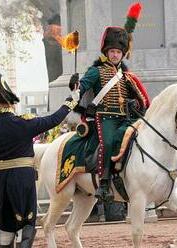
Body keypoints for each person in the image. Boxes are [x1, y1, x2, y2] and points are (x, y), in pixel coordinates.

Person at [0, 72, 79, 248]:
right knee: (25, 226)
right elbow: (54, 119)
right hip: (22, 179)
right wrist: (72, 98)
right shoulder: (23, 123)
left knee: (4, 231)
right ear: (11, 101)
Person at [69, 18, 150, 202]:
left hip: (126, 119)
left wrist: (134, 104)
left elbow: (141, 101)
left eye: (118, 52)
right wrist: (75, 85)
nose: (115, 55)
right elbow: (82, 87)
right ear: (107, 52)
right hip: (105, 118)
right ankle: (104, 182)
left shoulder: (127, 76)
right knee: (108, 142)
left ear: (123, 54)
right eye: (112, 51)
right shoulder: (96, 71)